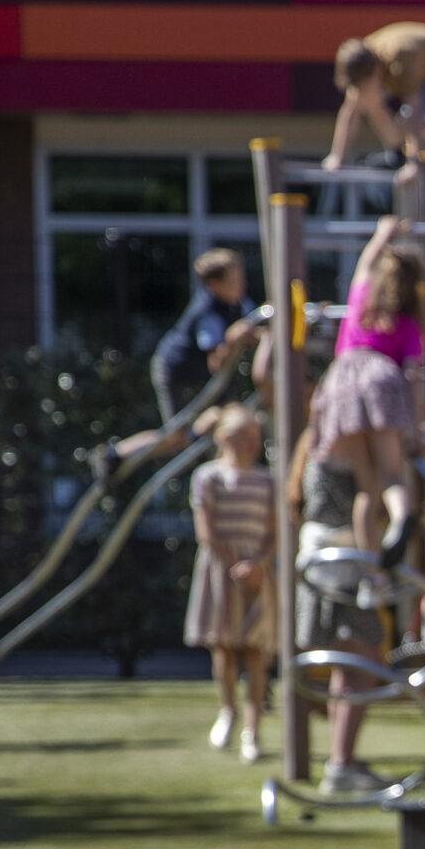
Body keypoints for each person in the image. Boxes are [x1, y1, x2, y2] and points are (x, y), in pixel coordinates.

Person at [293, 216, 423, 796]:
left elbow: (364, 266)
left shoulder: (359, 308)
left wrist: (382, 232)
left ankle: (376, 561)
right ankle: (398, 522)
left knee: (363, 487)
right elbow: (415, 376)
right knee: (388, 478)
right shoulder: (408, 326)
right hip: (384, 385)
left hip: (342, 392)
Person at [185, 406, 277, 764]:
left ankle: (252, 730)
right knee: (223, 648)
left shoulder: (267, 481)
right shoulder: (207, 477)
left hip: (257, 571)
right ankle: (228, 711)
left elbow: (275, 532)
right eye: (244, 437)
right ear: (224, 438)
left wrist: (257, 564)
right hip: (220, 572)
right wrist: (232, 564)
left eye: (255, 436)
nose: (251, 444)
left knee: (256, 651)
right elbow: (205, 530)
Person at [325, 22, 425, 167]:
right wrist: (337, 157)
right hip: (416, 55)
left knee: (406, 119)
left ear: (375, 72)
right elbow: (351, 110)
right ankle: (397, 152)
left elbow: (414, 115)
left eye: (365, 87)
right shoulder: (363, 58)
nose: (362, 92)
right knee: (369, 101)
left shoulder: (401, 64)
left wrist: (413, 165)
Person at [150, 250, 258, 426]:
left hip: (203, 377)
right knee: (178, 433)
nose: (241, 285)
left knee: (225, 417)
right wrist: (232, 339)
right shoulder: (207, 315)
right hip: (177, 372)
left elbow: (255, 325)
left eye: (241, 279)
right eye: (233, 281)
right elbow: (215, 363)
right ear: (214, 285)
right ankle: (125, 449)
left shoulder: (238, 302)